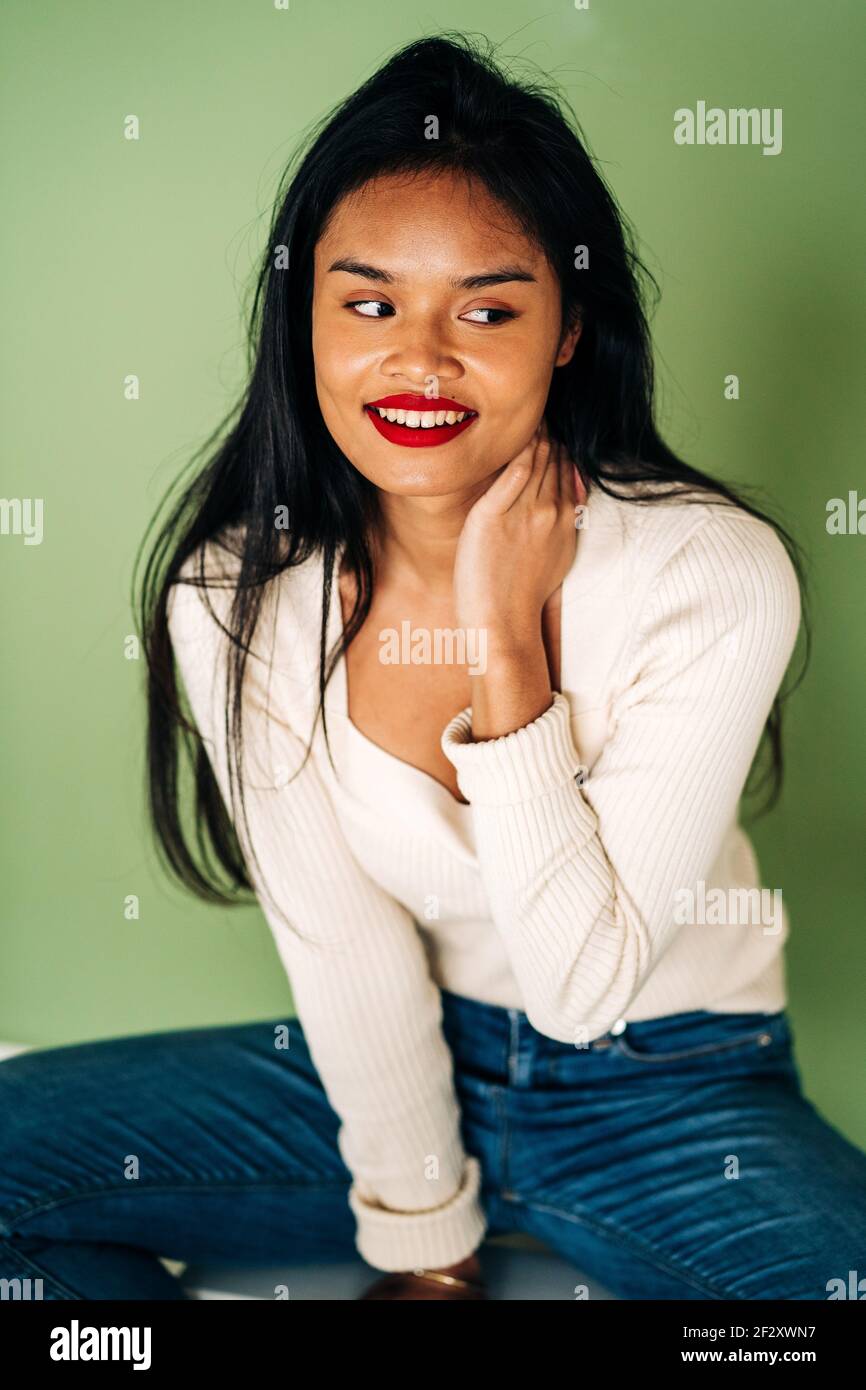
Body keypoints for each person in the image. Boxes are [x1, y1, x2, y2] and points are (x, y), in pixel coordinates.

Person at [2, 33, 865, 1303]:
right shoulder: (239, 595)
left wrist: (500, 640)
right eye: (367, 304)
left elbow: (583, 989)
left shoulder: (709, 572)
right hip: (392, 1064)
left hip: (670, 1088)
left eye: (487, 309)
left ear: (567, 330)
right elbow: (346, 947)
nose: (419, 361)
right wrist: (422, 1241)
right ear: (303, 321)